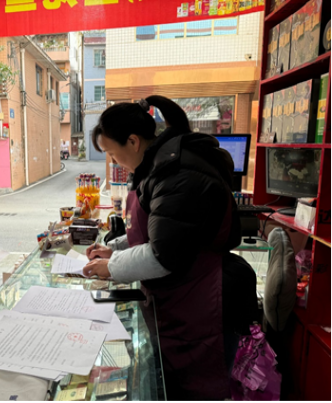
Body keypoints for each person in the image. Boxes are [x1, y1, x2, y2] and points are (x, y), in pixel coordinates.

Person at [83, 96, 244, 400]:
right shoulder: (157, 167)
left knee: (194, 390)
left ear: (133, 141)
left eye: (112, 153)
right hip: (179, 296)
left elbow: (162, 254)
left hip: (203, 301)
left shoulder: (177, 173)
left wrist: (112, 266)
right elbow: (158, 229)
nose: (113, 162)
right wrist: (115, 250)